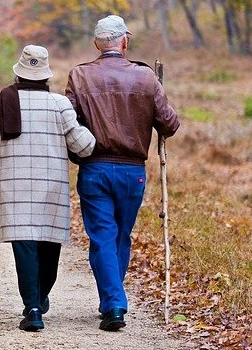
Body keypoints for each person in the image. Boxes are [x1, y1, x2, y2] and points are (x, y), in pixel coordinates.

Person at [64, 15, 181, 331]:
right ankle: (113, 302)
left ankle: (112, 302)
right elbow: (170, 124)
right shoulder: (145, 77)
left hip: (95, 167)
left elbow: (66, 121)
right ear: (125, 42)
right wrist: (155, 93)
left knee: (103, 236)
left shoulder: (79, 76)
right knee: (119, 236)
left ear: (96, 44)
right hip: (132, 173)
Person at [0, 45, 96, 332]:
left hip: (15, 190)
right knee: (48, 245)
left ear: (18, 73)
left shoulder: (1, 101)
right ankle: (39, 299)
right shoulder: (60, 105)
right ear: (46, 77)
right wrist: (87, 127)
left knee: (24, 246)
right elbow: (85, 146)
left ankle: (33, 308)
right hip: (52, 187)